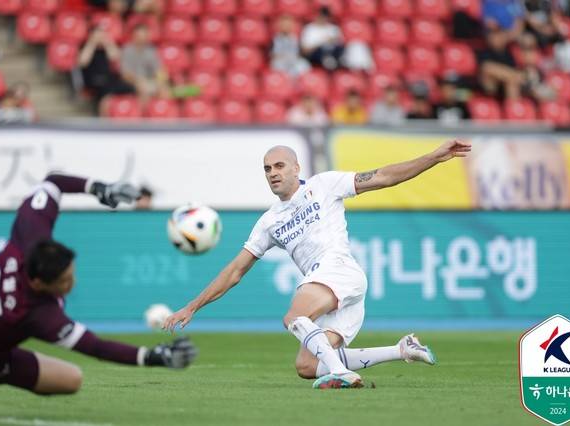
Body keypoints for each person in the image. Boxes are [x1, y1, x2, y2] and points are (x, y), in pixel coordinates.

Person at [164, 141, 472, 389]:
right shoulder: (269, 222)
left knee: (294, 317)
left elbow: (383, 176)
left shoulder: (324, 184)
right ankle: (402, 349)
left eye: (280, 166)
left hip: (338, 269)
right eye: (267, 169)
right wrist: (192, 307)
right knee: (307, 366)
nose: (273, 173)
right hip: (334, 289)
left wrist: (433, 157)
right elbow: (235, 271)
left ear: (297, 168)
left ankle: (341, 373)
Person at [0, 174, 197, 394]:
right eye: (64, 281)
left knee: (71, 380)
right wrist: (154, 356)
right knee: (66, 378)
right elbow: (97, 347)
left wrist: (100, 188)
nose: (72, 283)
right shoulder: (39, 315)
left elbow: (52, 182)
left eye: (71, 274)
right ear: (38, 283)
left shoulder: (30, 237)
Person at [79, 26, 134, 111]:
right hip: (94, 80)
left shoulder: (106, 49)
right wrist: (92, 43)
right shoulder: (85, 47)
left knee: (130, 88)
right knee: (107, 93)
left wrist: (108, 43)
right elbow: (83, 62)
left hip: (109, 79)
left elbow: (115, 58)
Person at [120, 23, 170, 102]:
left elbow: (159, 70)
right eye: (140, 36)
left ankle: (162, 109)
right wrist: (138, 81)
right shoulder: (127, 50)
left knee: (164, 90)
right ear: (134, 36)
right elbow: (126, 75)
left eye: (145, 36)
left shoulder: (151, 51)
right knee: (143, 90)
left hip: (149, 81)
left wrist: (161, 79)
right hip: (132, 83)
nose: (142, 39)